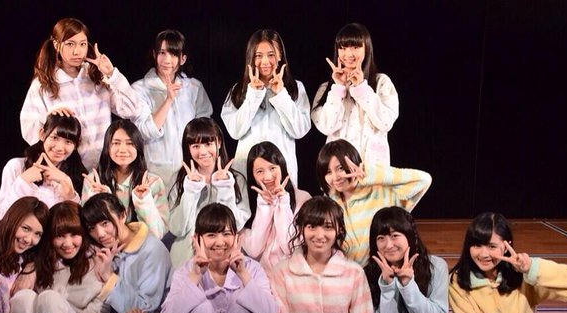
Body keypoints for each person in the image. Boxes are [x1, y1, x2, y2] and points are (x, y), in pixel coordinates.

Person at [20, 17, 142, 171]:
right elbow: (28, 129)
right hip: (69, 171)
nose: (77, 51)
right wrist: (48, 118)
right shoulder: (44, 83)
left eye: (82, 44)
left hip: (105, 169)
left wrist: (112, 74)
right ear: (57, 45)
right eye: (70, 44)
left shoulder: (96, 76)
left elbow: (132, 110)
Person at [315, 139, 431, 266]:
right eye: (328, 172)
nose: (336, 177)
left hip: (381, 273)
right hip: (345, 275)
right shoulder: (329, 204)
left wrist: (370, 173)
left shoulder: (382, 193)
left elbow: (423, 180)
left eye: (340, 168)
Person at [221, 29, 310, 185]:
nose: (265, 62)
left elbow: (300, 130)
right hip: (247, 169)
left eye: (271, 55)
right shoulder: (238, 90)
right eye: (258, 56)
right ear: (250, 57)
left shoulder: (295, 88)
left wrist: (281, 94)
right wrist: (254, 94)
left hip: (281, 170)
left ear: (280, 55)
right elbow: (235, 131)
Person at [131, 29, 213, 191]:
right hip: (156, 172)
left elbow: (205, 130)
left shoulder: (194, 87)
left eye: (174, 54)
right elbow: (143, 133)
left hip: (191, 171)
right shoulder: (139, 89)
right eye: (162, 53)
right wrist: (168, 100)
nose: (167, 60)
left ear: (182, 59)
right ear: (154, 54)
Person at [312, 23, 398, 166]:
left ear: (367, 48)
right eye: (343, 48)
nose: (349, 54)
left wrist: (361, 88)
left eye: (355, 47)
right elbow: (326, 127)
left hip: (373, 169)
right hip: (339, 169)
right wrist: (338, 88)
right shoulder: (326, 89)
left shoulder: (381, 82)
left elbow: (386, 122)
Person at [168, 117, 249, 268]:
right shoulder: (179, 179)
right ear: (188, 148)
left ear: (219, 142)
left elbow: (235, 225)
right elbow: (177, 228)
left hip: (224, 257)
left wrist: (225, 187)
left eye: (208, 144)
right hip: (188, 257)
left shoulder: (236, 179)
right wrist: (190, 191)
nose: (203, 152)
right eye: (196, 146)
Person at [82, 119, 169, 238]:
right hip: (105, 247)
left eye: (130, 143)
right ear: (107, 146)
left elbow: (158, 234)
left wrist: (143, 201)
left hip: (142, 247)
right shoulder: (93, 181)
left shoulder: (152, 183)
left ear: (138, 147)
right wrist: (100, 201)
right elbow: (88, 229)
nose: (122, 150)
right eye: (116, 143)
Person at [0, 114, 86, 219]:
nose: (59, 148)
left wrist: (68, 189)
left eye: (68, 142)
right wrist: (24, 180)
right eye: (54, 138)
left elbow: (76, 223)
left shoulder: (78, 175)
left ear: (76, 145)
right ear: (42, 134)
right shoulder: (16, 166)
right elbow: (2, 215)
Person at [242, 141, 310, 274]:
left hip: (293, 276)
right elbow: (254, 250)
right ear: (252, 175)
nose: (267, 177)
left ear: (282, 167)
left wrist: (283, 202)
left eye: (272, 168)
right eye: (259, 171)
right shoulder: (248, 202)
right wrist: (264, 205)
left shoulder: (302, 198)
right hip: (260, 277)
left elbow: (290, 247)